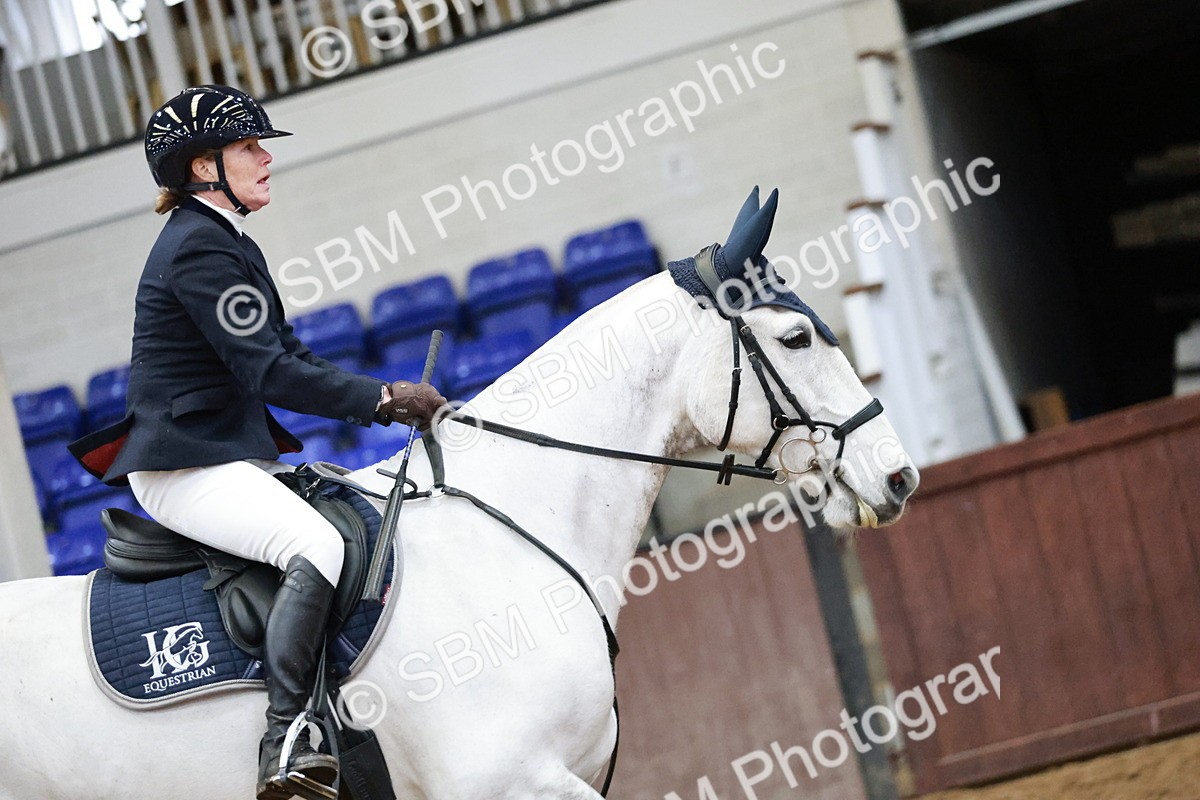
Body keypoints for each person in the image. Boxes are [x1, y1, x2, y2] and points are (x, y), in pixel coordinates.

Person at [68, 85, 447, 800]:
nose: (266, 157)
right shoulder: (194, 251)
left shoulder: (225, 240)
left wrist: (380, 395)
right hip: (184, 465)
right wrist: (383, 399)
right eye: (249, 147)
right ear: (204, 167)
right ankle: (288, 739)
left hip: (221, 452)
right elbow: (268, 371)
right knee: (319, 546)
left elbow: (290, 355)